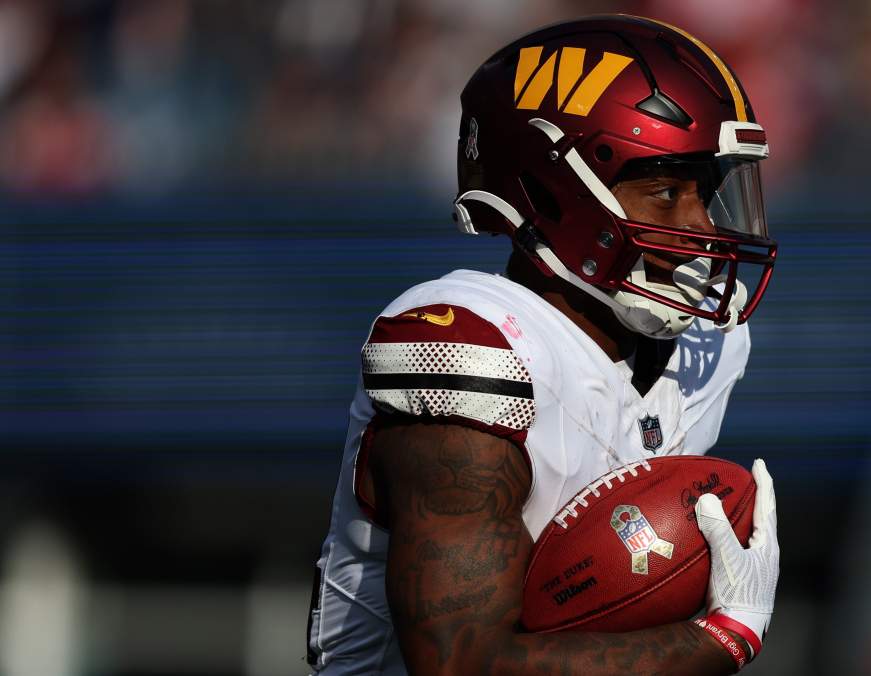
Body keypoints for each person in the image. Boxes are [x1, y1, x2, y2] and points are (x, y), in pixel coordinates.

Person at [307, 15, 781, 675]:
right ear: (556, 191)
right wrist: (719, 639)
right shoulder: (471, 348)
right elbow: (461, 664)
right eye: (666, 192)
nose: (701, 227)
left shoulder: (709, 347)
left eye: (706, 193)